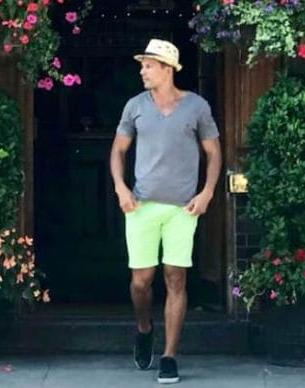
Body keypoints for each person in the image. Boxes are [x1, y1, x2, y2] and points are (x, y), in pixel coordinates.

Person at [110, 38, 221, 386]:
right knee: (141, 283)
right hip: (141, 206)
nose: (142, 71)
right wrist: (120, 187)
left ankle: (170, 356)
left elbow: (214, 154)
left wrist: (206, 193)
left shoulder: (197, 107)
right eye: (142, 65)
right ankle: (144, 328)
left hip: (182, 209)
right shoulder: (135, 106)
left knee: (176, 278)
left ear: (167, 69)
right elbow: (118, 151)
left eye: (148, 65)